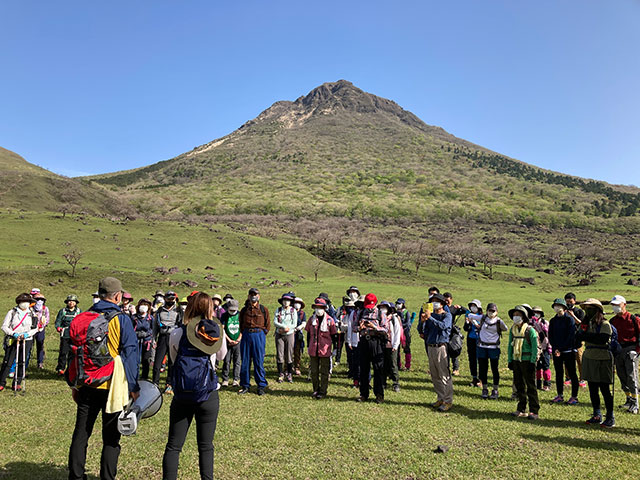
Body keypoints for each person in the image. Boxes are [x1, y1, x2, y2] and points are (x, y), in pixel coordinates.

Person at [67, 277, 140, 480]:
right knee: (111, 438)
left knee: (81, 434)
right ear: (117, 296)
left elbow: (74, 353)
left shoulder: (83, 317)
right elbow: (131, 355)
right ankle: (107, 477)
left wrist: (75, 384)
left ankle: (76, 476)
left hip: (86, 383)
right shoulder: (121, 319)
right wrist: (133, 386)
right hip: (112, 386)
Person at [162, 292, 226, 480]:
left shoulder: (177, 333)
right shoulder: (216, 332)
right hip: (208, 393)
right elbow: (221, 356)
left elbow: (174, 360)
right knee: (206, 446)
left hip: (182, 393)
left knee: (174, 446)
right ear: (209, 309)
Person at [578, 298, 615, 428]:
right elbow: (578, 337)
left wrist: (586, 337)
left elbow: (602, 339)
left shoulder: (605, 324)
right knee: (593, 388)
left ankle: (610, 416)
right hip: (589, 357)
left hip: (603, 358)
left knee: (604, 389)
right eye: (586, 308)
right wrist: (584, 334)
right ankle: (596, 414)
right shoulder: (586, 324)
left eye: (591, 308)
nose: (588, 311)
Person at [419, 293, 454, 412]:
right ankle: (440, 398)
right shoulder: (430, 316)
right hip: (431, 346)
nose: (434, 304)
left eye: (436, 301)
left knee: (444, 374)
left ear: (442, 304)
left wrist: (430, 318)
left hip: (441, 347)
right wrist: (423, 321)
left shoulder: (447, 315)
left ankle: (448, 400)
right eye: (432, 301)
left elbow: (443, 326)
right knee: (435, 375)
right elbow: (421, 330)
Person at [507, 305, 540, 420]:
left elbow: (535, 347)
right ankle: (521, 409)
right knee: (519, 385)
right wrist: (510, 360)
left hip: (527, 360)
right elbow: (510, 345)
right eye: (514, 315)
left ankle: (534, 410)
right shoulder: (513, 329)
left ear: (524, 317)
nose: (516, 317)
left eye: (518, 315)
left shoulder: (530, 330)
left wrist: (533, 360)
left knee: (531, 386)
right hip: (516, 360)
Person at [609, 295, 640, 414]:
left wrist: (637, 351)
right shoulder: (613, 321)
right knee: (622, 376)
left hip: (631, 349)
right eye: (614, 305)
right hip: (618, 350)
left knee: (632, 376)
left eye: (618, 305)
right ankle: (628, 399)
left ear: (624, 305)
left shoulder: (633, 319)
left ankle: (635, 403)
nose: (616, 308)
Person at [0, 293, 38, 391]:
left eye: (26, 302)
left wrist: (27, 334)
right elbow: (4, 326)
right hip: (13, 339)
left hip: (26, 340)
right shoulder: (12, 312)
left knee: (22, 361)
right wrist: (13, 334)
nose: (24, 303)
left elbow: (35, 328)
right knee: (8, 361)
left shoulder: (32, 313)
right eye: (22, 301)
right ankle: (1, 382)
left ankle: (17, 382)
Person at [469, 303, 507, 399]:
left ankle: (495, 389)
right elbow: (469, 315)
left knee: (495, 369)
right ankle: (484, 389)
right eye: (489, 311)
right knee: (482, 369)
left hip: (494, 348)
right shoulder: (482, 318)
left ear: (497, 312)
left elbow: (505, 328)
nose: (491, 313)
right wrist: (476, 323)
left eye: (493, 311)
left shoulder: (499, 322)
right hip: (482, 347)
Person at [356, 293, 388, 404]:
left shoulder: (381, 314)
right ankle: (363, 394)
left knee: (378, 369)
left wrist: (374, 327)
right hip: (364, 341)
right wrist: (359, 327)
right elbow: (354, 328)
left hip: (376, 342)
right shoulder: (361, 313)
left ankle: (379, 394)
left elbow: (385, 330)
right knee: (364, 369)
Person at [238, 288, 270, 395]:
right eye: (251, 294)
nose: (253, 296)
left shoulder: (263, 309)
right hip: (247, 335)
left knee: (258, 361)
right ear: (248, 296)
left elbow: (268, 325)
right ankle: (245, 385)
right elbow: (240, 324)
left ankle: (261, 386)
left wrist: (261, 333)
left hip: (259, 335)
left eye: (255, 294)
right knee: (245, 361)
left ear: (259, 296)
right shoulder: (243, 310)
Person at [548, 298, 579, 405]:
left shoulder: (569, 320)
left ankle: (574, 396)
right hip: (556, 351)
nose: (557, 308)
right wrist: (555, 348)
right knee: (558, 373)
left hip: (568, 350)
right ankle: (560, 395)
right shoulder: (553, 320)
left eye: (559, 305)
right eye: (555, 305)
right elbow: (550, 335)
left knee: (572, 373)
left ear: (564, 307)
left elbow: (571, 336)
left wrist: (560, 348)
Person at [305, 297, 338, 399]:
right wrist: (307, 346)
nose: (318, 309)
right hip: (313, 349)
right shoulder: (311, 319)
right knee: (314, 371)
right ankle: (316, 389)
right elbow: (308, 334)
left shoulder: (329, 320)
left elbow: (334, 335)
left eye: (320, 307)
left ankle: (323, 391)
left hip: (325, 349)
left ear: (324, 308)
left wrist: (335, 348)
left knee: (324, 371)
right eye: (316, 307)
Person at [152, 291, 183, 392]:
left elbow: (181, 325)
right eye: (168, 299)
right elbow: (155, 326)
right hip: (162, 337)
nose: (170, 301)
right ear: (165, 299)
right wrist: (153, 339)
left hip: (174, 337)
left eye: (172, 299)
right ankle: (155, 383)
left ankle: (169, 384)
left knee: (172, 362)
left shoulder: (178, 310)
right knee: (157, 362)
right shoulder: (160, 310)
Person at [273, 292, 298, 383]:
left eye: (288, 300)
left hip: (290, 334)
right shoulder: (278, 310)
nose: (286, 302)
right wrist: (283, 327)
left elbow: (294, 324)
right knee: (280, 354)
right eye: (284, 300)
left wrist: (287, 329)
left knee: (289, 354)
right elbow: (275, 322)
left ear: (290, 302)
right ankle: (280, 374)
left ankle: (289, 373)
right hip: (279, 334)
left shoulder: (293, 311)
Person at [54, 294, 82, 375]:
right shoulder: (62, 311)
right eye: (69, 301)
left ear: (76, 303)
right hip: (65, 334)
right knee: (63, 352)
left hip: (74, 335)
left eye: (73, 301)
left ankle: (71, 369)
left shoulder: (79, 311)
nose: (71, 303)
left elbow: (81, 322)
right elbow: (58, 321)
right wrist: (58, 327)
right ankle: (60, 369)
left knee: (73, 353)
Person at [565, 292, 587, 388]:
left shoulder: (579, 312)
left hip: (578, 338)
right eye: (567, 302)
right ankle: (568, 377)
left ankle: (582, 379)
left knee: (580, 359)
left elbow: (581, 324)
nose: (569, 303)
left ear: (574, 301)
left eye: (571, 301)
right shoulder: (564, 311)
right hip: (567, 339)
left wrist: (572, 315)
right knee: (567, 359)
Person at [220, 299, 242, 387]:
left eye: (234, 310)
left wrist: (238, 339)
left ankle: (236, 379)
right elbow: (222, 329)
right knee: (226, 361)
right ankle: (225, 379)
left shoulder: (240, 315)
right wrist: (229, 340)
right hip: (227, 341)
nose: (232, 312)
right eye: (231, 310)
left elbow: (243, 328)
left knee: (237, 361)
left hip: (238, 341)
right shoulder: (224, 316)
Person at [381, 301, 401, 392]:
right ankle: (383, 382)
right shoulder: (380, 318)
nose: (383, 309)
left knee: (393, 364)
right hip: (382, 345)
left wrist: (395, 345)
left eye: (384, 307)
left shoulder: (393, 319)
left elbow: (397, 332)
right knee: (383, 365)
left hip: (392, 345)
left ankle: (395, 383)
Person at [444, 293, 465, 376]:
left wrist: (460, 307)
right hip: (444, 332)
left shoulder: (453, 309)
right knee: (444, 351)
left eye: (448, 299)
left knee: (453, 349)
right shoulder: (441, 308)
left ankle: (455, 368)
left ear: (451, 300)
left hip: (452, 332)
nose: (446, 301)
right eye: (445, 299)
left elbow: (466, 311)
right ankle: (446, 368)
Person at [531, 306, 552, 392]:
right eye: (534, 312)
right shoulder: (529, 323)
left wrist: (550, 347)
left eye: (538, 312)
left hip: (545, 347)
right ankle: (538, 384)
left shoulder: (545, 323)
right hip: (535, 347)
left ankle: (547, 384)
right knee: (537, 367)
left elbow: (550, 335)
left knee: (546, 365)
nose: (536, 314)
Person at [133, 298, 154, 381]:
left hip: (146, 341)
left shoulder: (150, 318)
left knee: (145, 361)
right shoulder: (134, 318)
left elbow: (153, 329)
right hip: (136, 341)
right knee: (136, 360)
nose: (143, 307)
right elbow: (131, 329)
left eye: (145, 305)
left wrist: (148, 335)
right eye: (142, 305)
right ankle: (135, 376)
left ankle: (144, 377)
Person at [346, 295, 364, 388]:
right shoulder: (354, 313)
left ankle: (365, 382)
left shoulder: (369, 314)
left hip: (365, 341)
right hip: (355, 341)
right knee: (356, 363)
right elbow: (350, 326)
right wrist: (349, 341)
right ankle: (356, 381)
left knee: (365, 364)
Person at [463, 299, 482, 386]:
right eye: (471, 306)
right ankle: (474, 377)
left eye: (475, 306)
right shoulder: (468, 315)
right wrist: (467, 322)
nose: (473, 307)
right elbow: (466, 329)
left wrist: (475, 322)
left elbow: (481, 327)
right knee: (472, 358)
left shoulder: (482, 316)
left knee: (480, 359)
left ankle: (481, 379)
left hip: (480, 339)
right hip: (471, 339)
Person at [30, 288, 50, 370]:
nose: (39, 301)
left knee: (40, 345)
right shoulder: (30, 308)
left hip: (40, 329)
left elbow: (47, 319)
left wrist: (42, 325)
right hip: (30, 329)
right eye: (37, 299)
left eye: (41, 299)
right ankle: (26, 362)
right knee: (29, 346)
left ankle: (40, 362)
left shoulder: (45, 309)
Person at [395, 298, 413, 371]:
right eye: (397, 303)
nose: (398, 305)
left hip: (405, 333)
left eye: (400, 303)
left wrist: (401, 324)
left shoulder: (406, 312)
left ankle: (407, 365)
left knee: (406, 349)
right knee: (397, 348)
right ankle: (398, 365)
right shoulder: (396, 312)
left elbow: (408, 324)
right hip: (397, 332)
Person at [333, 296, 350, 366]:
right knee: (339, 346)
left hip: (348, 330)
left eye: (347, 300)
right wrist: (338, 322)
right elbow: (335, 317)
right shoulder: (339, 309)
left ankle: (349, 361)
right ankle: (337, 360)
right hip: (340, 330)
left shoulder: (351, 309)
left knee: (348, 347)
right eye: (344, 300)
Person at [292, 297, 307, 376]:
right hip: (290, 333)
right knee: (289, 351)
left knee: (297, 352)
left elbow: (304, 322)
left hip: (298, 334)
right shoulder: (290, 312)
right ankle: (288, 367)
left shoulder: (302, 313)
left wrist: (299, 327)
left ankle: (297, 367)